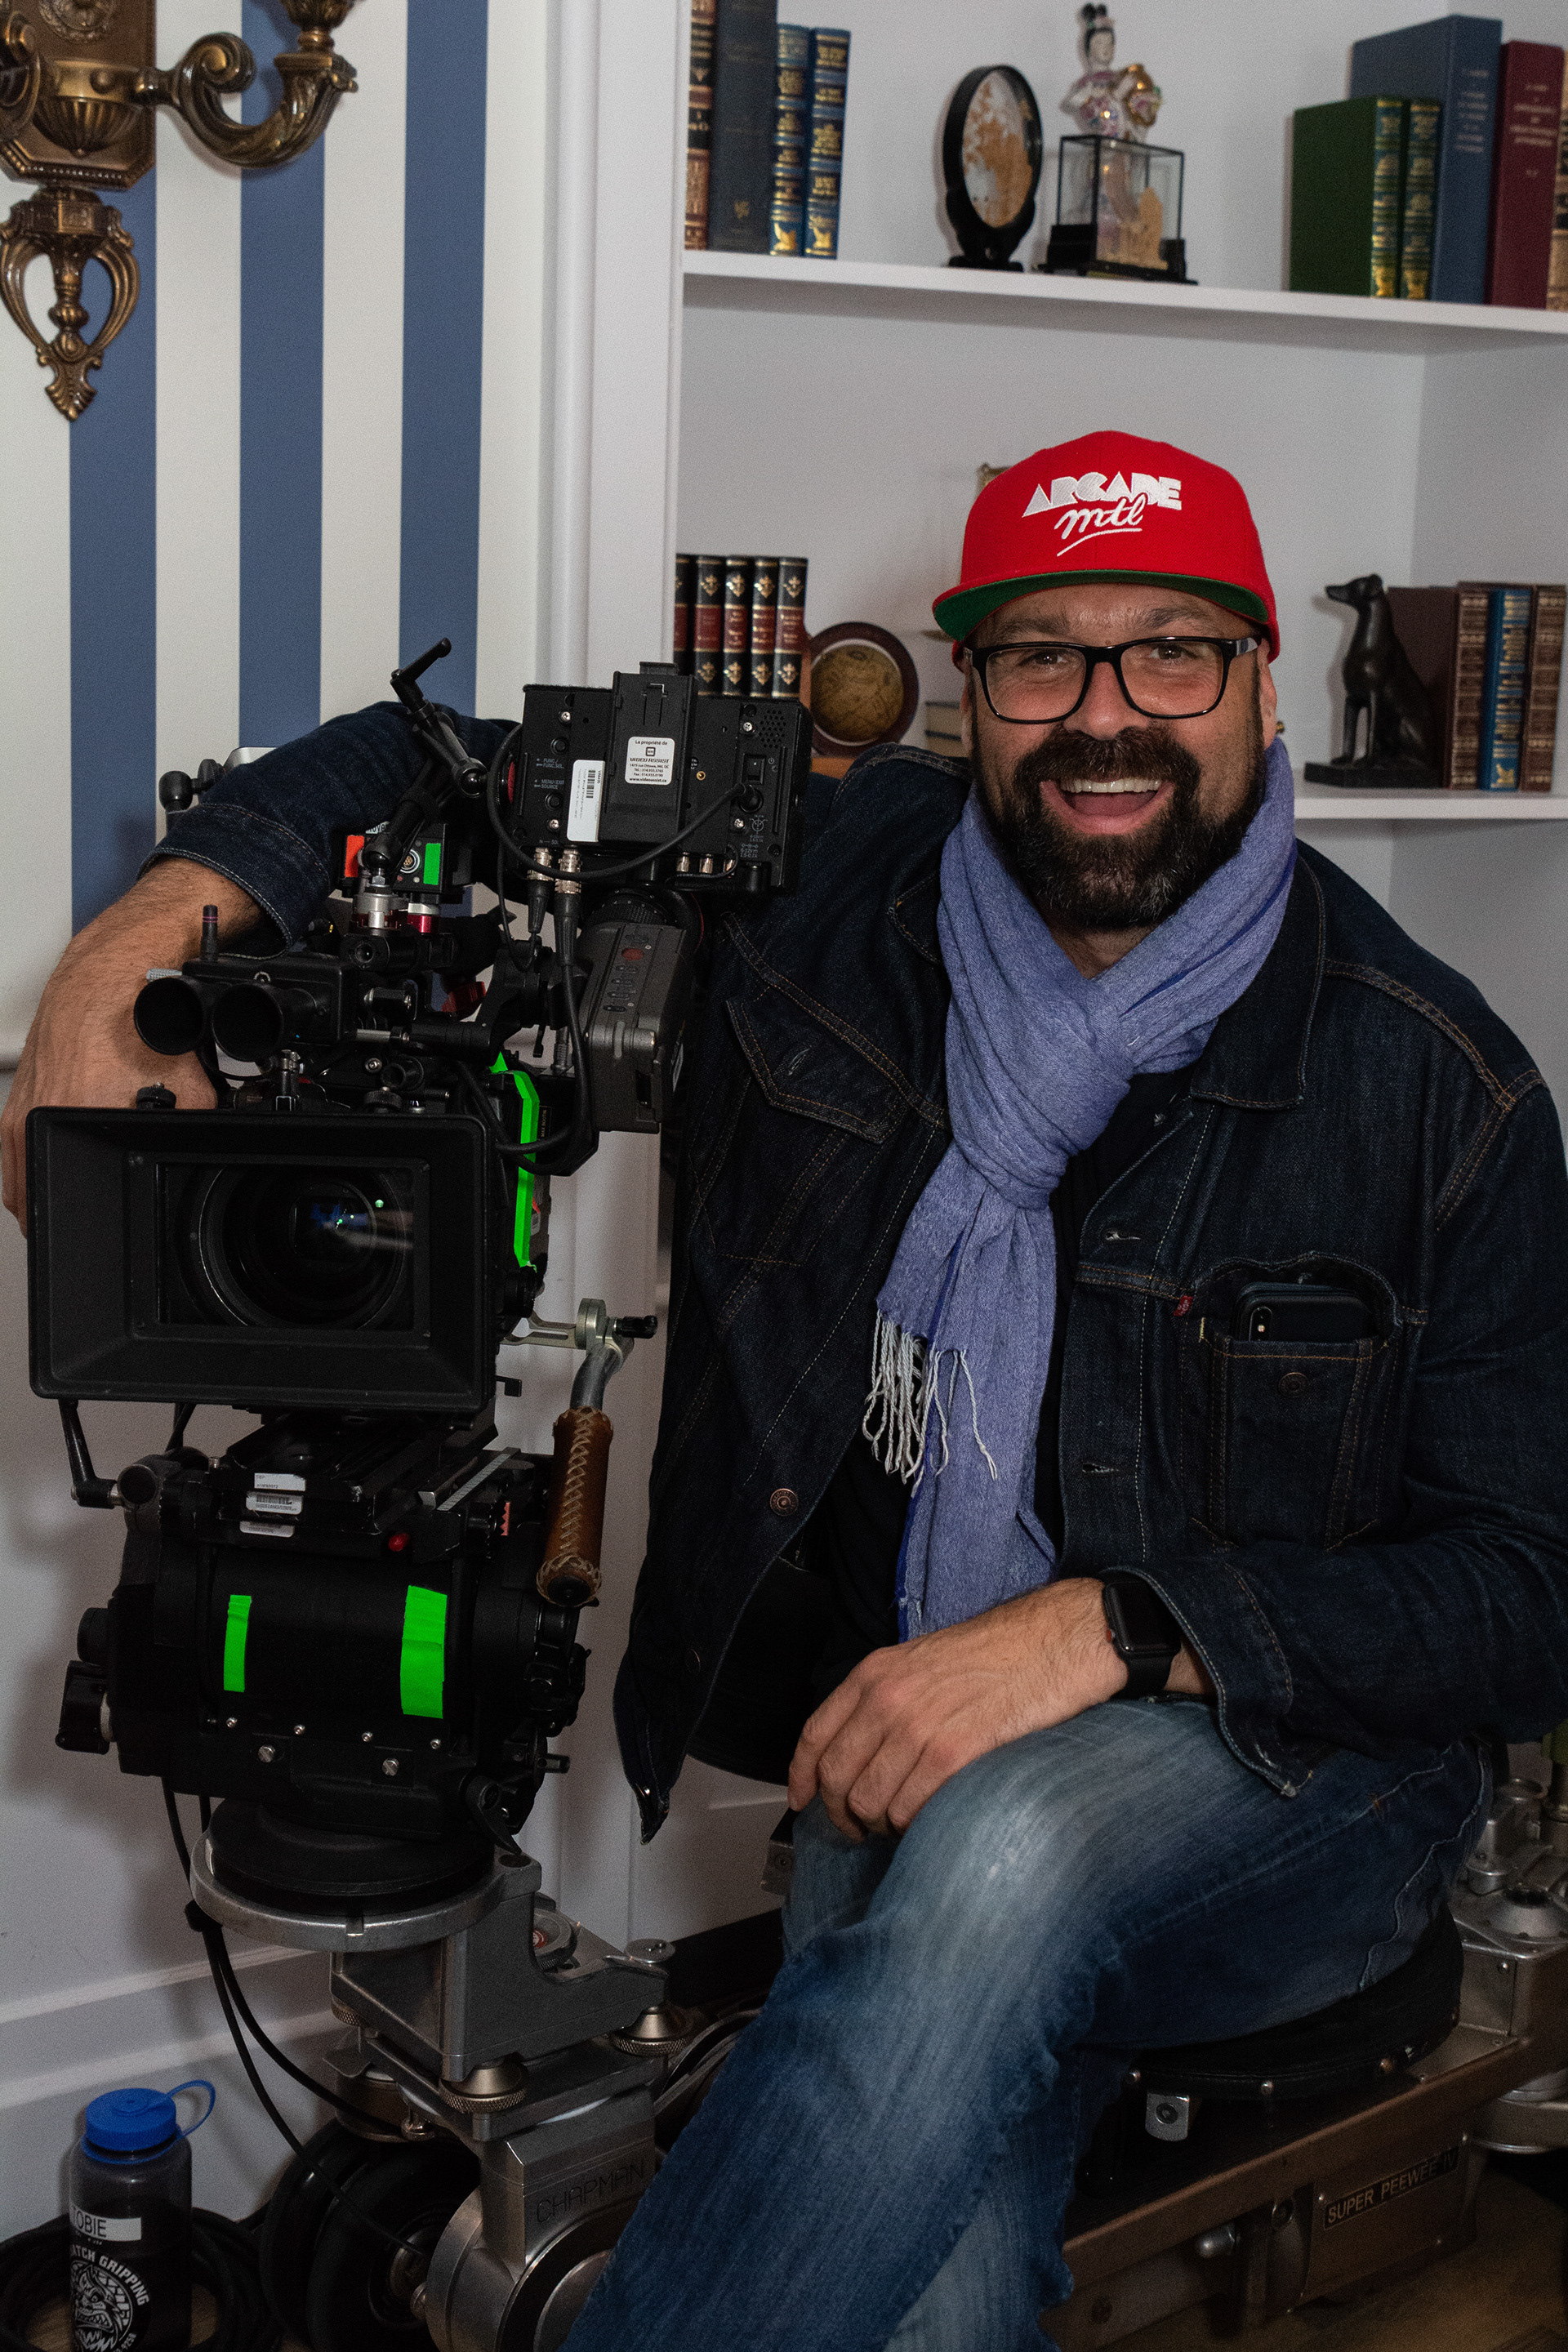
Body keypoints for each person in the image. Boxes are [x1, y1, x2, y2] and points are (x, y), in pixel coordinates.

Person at [7, 431, 1568, 2350]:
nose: (1106, 717)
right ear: (962, 690)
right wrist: (105, 989)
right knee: (928, 2283)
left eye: (1169, 653)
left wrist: (1117, 1627)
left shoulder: (1437, 1084)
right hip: (896, 1754)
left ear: (1262, 682)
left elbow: (1530, 1594)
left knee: (1003, 1842)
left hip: (1302, 1787)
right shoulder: (823, 866)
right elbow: (417, 767)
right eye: (1040, 658)